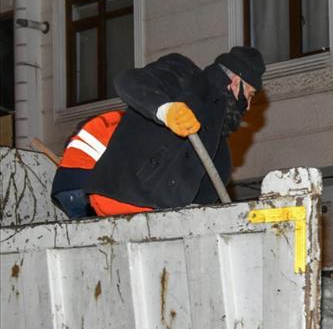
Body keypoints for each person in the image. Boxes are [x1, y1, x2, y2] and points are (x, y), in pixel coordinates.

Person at [85, 46, 265, 216]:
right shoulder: (183, 73)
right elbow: (128, 80)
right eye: (249, 95)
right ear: (235, 83)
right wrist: (164, 110)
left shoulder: (219, 150)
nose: (248, 107)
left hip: (158, 215)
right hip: (125, 194)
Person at [49, 110, 124, 219]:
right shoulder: (123, 125)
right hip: (85, 186)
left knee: (86, 230)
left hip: (62, 187)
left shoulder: (97, 126)